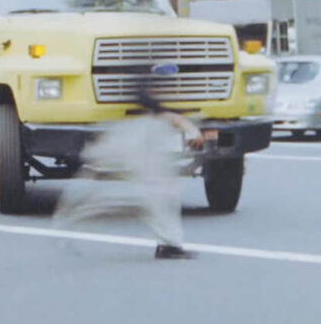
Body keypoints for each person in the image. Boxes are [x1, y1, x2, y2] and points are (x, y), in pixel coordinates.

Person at [51, 82, 205, 259]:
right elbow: (155, 106)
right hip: (140, 130)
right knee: (156, 191)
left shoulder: (143, 67)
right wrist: (190, 128)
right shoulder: (146, 70)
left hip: (131, 129)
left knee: (157, 191)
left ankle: (169, 244)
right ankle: (69, 219)